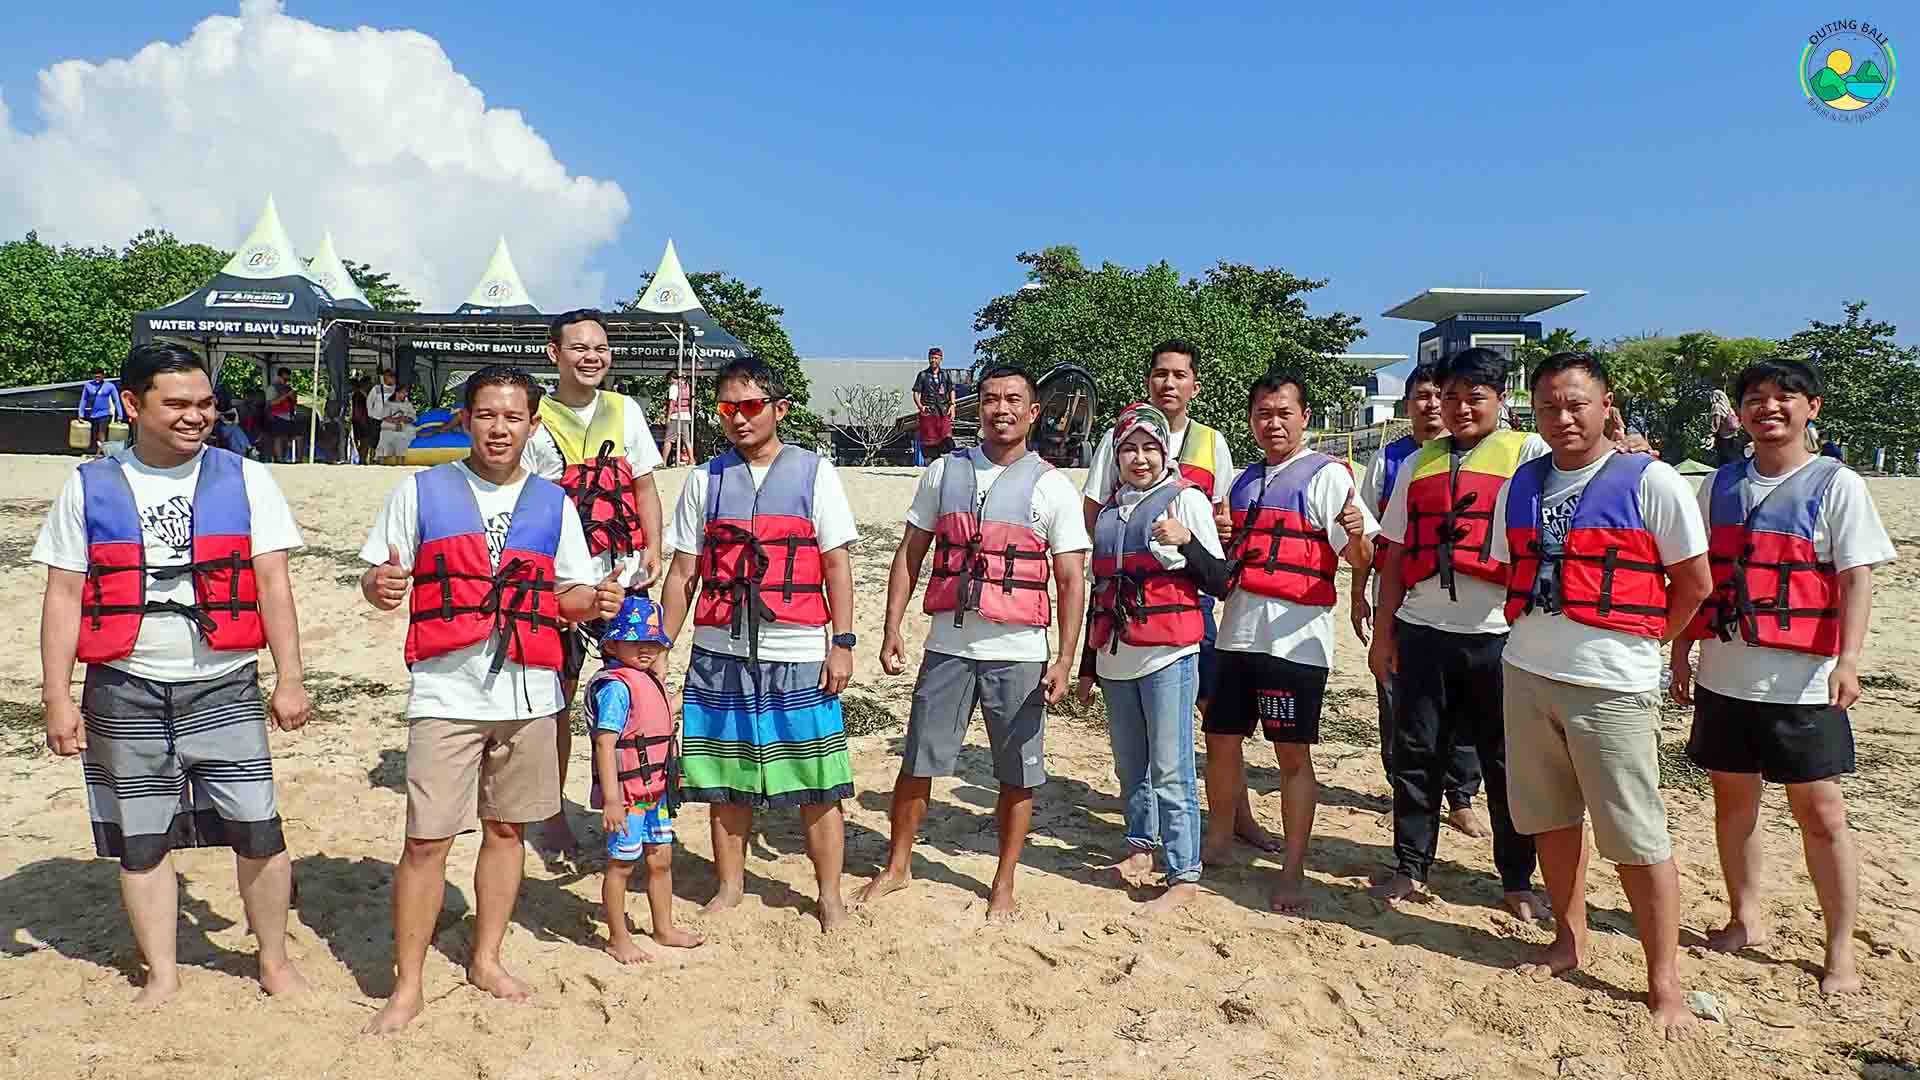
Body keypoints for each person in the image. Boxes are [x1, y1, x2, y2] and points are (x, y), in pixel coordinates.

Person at [34, 343, 311, 1002]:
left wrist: (290, 675)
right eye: (178, 404)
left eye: (206, 404)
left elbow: (273, 583)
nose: (197, 417)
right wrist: (56, 697)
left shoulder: (247, 478)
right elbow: (63, 595)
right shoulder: (89, 485)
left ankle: (273, 959)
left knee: (258, 831)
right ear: (133, 405)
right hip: (123, 685)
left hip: (224, 680)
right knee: (141, 838)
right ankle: (162, 972)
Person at [358, 365, 620, 1033]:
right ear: (465, 420)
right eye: (485, 415)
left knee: (507, 832)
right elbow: (379, 574)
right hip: (447, 692)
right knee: (427, 840)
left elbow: (567, 596)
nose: (498, 428)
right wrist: (380, 587)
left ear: (533, 424)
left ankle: (487, 958)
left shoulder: (553, 502)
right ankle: (408, 983)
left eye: (512, 417)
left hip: (529, 692)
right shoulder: (421, 492)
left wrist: (599, 600)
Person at [1491, 351, 1712, 1041]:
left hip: (1613, 686)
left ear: (1605, 403)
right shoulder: (1520, 485)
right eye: (1549, 406)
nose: (1563, 418)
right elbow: (1514, 572)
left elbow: (1695, 583)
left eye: (1575, 403)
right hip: (1528, 674)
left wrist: (1647, 644)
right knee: (1550, 820)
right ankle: (1569, 938)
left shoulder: (1652, 481)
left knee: (1636, 837)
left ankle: (1664, 980)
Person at [1671, 358, 1895, 997]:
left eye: (1783, 398)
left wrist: (1848, 662)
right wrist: (1682, 650)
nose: (1768, 408)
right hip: (1725, 674)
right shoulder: (1716, 486)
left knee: (1820, 814)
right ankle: (1745, 918)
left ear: (1811, 408)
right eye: (1756, 398)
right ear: (1740, 413)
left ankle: (1840, 946)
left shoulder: (1837, 485)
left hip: (1804, 681)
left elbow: (1857, 578)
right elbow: (1698, 578)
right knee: (1732, 806)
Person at [858, 365, 1090, 918]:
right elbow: (910, 553)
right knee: (917, 760)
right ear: (974, 407)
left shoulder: (1053, 486)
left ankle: (1004, 880)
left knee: (1017, 772)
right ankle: (898, 865)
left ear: (1034, 413)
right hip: (948, 648)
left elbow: (1071, 578)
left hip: (1020, 652)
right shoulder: (943, 472)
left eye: (1013, 400)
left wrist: (1064, 657)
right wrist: (892, 626)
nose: (1000, 409)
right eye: (990, 399)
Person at [654, 357, 859, 931]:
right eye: (727, 408)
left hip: (797, 649)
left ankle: (830, 896)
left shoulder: (816, 474)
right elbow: (682, 573)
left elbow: (836, 564)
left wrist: (840, 643)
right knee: (726, 776)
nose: (739, 419)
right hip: (720, 648)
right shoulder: (705, 478)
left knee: (818, 779)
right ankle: (730, 885)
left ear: (778, 408)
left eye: (750, 406)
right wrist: (662, 645)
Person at [1368, 347, 1548, 919]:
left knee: (1503, 760)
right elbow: (1393, 555)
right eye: (1451, 396)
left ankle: (1516, 878)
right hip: (1423, 628)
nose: (1461, 407)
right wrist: (1384, 633)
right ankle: (1410, 865)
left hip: (1499, 633)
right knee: (1417, 751)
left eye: (1476, 396)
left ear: (1500, 400)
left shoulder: (1528, 454)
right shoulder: (1420, 461)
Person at [1080, 339, 1271, 860]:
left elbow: (1221, 533)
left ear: (1194, 384)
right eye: (1160, 373)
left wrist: (1190, 537)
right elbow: (1095, 515)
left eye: (1179, 375)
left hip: (1188, 611)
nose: (1169, 383)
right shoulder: (1114, 443)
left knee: (1210, 716)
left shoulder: (1212, 443)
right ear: (1149, 381)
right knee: (1138, 747)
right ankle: (1146, 837)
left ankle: (1233, 819)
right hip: (1127, 616)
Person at [1204, 369, 1376, 910]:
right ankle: (1220, 838)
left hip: (1296, 645)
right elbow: (1227, 559)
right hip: (1238, 635)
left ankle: (1293, 867)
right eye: (1263, 413)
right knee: (1221, 741)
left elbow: (1360, 558)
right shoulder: (1243, 481)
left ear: (1304, 418)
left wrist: (1354, 537)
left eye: (1284, 413)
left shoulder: (1327, 477)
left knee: (1291, 755)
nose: (1272, 423)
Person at [521, 309, 667, 854]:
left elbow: (645, 486)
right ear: (553, 354)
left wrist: (653, 548)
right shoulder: (535, 418)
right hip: (562, 581)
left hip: (625, 576)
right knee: (558, 695)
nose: (592, 357)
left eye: (601, 347)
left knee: (638, 689)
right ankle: (553, 812)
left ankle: (638, 800)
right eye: (579, 347)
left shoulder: (625, 411)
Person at [1073, 402, 1224, 915]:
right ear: (1116, 456)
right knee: (1129, 763)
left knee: (1171, 766)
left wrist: (1188, 543)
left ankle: (1184, 873)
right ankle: (1141, 847)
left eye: (1149, 448)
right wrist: (1086, 668)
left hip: (1169, 652)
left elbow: (1221, 580)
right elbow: (1102, 590)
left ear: (1165, 452)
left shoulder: (1186, 502)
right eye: (1129, 449)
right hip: (1115, 655)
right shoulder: (1112, 511)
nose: (1139, 458)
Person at [1350, 363, 1488, 839]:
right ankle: (1402, 791)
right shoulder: (1392, 462)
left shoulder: (1487, 456)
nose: (1432, 405)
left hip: (1468, 613)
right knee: (1398, 705)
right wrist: (1359, 596)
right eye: (1423, 397)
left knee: (1466, 711)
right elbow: (1370, 535)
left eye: (1439, 395)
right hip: (1402, 597)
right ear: (1407, 405)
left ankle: (1462, 796)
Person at [587, 595, 703, 963]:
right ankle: (617, 938)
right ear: (613, 644)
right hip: (627, 797)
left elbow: (663, 715)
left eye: (652, 642)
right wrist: (611, 801)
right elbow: (605, 746)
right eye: (635, 641)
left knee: (661, 860)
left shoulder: (651, 681)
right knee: (621, 866)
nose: (645, 649)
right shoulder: (616, 689)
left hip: (656, 794)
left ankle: (663, 928)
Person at [912, 347, 957, 461]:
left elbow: (951, 390)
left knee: (946, 438)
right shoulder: (922, 375)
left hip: (943, 410)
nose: (933, 360)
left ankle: (947, 462)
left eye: (936, 358)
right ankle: (932, 463)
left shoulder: (945, 375)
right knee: (929, 439)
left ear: (941, 359)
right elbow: (916, 392)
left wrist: (952, 406)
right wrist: (920, 407)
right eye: (931, 358)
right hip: (928, 412)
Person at [370, 375, 417, 465]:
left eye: (405, 393)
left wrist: (405, 419)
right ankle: (381, 466)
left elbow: (413, 417)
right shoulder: (388, 404)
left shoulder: (407, 404)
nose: (405, 394)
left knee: (401, 444)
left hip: (402, 430)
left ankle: (400, 466)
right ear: (397, 393)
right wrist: (397, 420)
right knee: (383, 446)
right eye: (403, 392)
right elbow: (384, 417)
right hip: (388, 429)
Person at [77, 367, 124, 455]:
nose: (97, 378)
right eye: (95, 377)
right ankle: (100, 452)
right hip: (93, 414)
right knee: (95, 436)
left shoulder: (110, 386)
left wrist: (120, 414)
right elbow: (84, 400)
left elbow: (116, 400)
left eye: (99, 376)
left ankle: (99, 455)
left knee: (101, 434)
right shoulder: (88, 385)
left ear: (103, 376)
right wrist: (81, 413)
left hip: (105, 414)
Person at [663, 372, 695, 466]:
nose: (669, 382)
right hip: (686, 415)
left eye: (669, 380)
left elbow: (672, 403)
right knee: (686, 440)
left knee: (668, 440)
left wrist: (668, 417)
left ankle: (663, 462)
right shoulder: (686, 386)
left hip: (676, 416)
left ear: (672, 378)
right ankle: (691, 460)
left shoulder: (674, 387)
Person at [267, 367, 298, 463]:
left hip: (288, 416)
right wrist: (286, 395)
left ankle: (284, 458)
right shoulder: (272, 388)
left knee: (285, 438)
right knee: (278, 437)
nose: (286, 382)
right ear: (278, 377)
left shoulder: (288, 388)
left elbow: (294, 403)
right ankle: (279, 459)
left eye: (288, 379)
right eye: (285, 379)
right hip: (276, 416)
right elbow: (271, 403)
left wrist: (293, 397)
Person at [351, 375, 379, 465]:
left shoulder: (362, 395)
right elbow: (358, 411)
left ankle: (363, 459)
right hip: (361, 422)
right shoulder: (359, 395)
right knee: (364, 442)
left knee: (365, 442)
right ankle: (362, 459)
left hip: (361, 421)